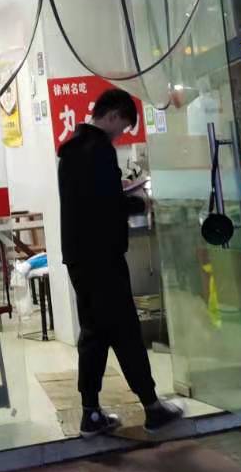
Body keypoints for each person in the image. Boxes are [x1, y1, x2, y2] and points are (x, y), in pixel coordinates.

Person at [58, 87, 183, 436]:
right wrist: (139, 202)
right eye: (123, 126)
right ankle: (152, 407)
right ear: (112, 115)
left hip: (79, 257)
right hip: (102, 257)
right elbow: (106, 204)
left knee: (95, 333)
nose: (121, 134)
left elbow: (90, 200)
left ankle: (91, 413)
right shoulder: (98, 149)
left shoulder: (71, 149)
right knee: (125, 330)